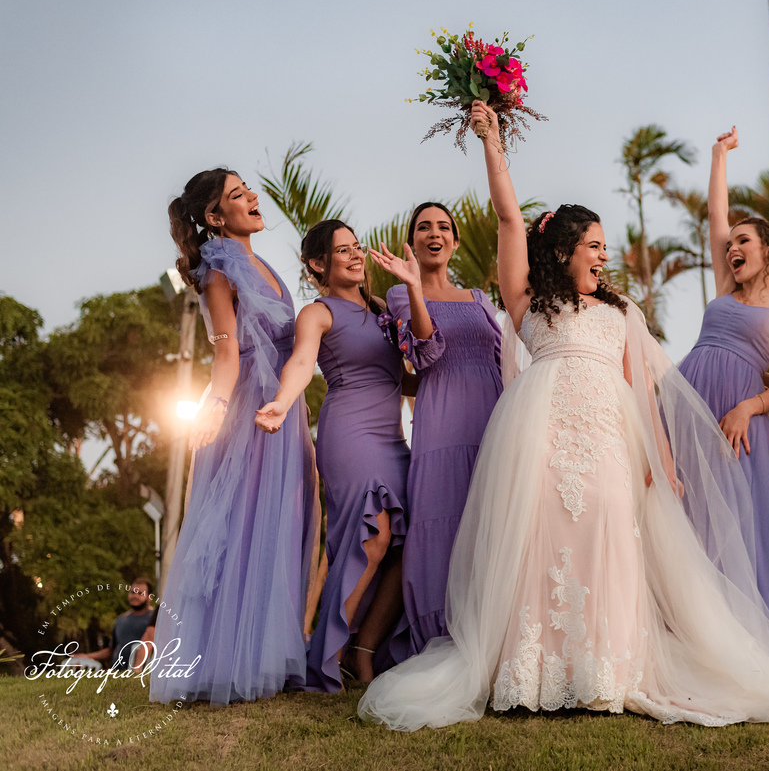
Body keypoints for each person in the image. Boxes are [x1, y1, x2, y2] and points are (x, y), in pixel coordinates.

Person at [357, 101, 769, 731]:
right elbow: (508, 217)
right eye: (593, 246)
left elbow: (641, 393)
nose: (603, 257)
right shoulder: (527, 297)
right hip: (541, 427)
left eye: (605, 247)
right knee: (543, 535)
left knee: (609, 532)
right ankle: (535, 668)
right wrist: (492, 143)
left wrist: (662, 461)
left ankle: (604, 669)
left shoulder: (621, 311)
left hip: (610, 433)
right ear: (562, 251)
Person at [151, 168, 321, 706]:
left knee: (276, 522)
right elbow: (225, 354)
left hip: (283, 407)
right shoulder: (217, 270)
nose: (251, 197)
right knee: (239, 523)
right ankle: (223, 659)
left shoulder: (266, 266)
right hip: (248, 407)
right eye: (236, 195)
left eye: (248, 189)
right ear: (214, 217)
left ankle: (266, 654)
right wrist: (216, 409)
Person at [256, 220, 423, 688]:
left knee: (406, 543)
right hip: (350, 433)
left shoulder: (380, 310)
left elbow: (401, 378)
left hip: (393, 436)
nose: (354, 255)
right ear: (316, 264)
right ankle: (325, 654)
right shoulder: (317, 312)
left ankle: (360, 651)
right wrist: (283, 402)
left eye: (357, 247)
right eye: (342, 250)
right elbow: (303, 363)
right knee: (373, 538)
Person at [677, 127, 769, 624]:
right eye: (730, 243)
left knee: (733, 519)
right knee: (684, 510)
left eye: (744, 240)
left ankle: (737, 632)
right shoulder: (724, 285)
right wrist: (717, 156)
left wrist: (748, 408)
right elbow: (716, 215)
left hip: (740, 414)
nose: (733, 247)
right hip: (690, 398)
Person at [368, 202, 504, 655]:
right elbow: (425, 353)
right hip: (443, 421)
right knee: (443, 520)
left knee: (492, 518)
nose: (435, 233)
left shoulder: (480, 299)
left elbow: (504, 359)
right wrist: (413, 286)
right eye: (424, 226)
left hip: (493, 417)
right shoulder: (400, 295)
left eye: (444, 227)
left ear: (455, 241)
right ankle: (442, 638)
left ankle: (492, 632)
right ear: (412, 240)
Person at [72, 578, 155, 672]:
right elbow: (111, 650)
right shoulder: (120, 620)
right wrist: (87, 656)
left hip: (142, 674)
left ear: (150, 597)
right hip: (118, 674)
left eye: (140, 593)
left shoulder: (155, 619)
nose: (135, 596)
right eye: (132, 592)